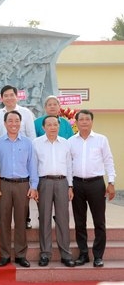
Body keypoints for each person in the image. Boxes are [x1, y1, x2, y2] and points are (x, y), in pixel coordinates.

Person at [69, 109, 116, 268]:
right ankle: (83, 254)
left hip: (96, 184)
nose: (84, 122)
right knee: (79, 221)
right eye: (81, 119)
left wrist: (111, 182)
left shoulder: (101, 140)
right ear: (76, 122)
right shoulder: (71, 141)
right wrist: (69, 185)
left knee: (99, 221)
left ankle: (98, 256)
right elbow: (68, 165)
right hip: (77, 184)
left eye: (87, 119)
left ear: (91, 121)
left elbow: (108, 161)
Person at [0, 110, 38, 268]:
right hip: (4, 184)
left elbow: (32, 165)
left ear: (21, 123)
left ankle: (20, 254)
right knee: (4, 221)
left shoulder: (27, 143)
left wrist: (34, 186)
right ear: (5, 124)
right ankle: (4, 254)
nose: (13, 124)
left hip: (22, 185)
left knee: (21, 221)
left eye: (16, 121)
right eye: (10, 121)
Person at [32, 115, 75, 267]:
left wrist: (70, 186)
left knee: (63, 218)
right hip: (44, 182)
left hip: (62, 182)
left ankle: (66, 254)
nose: (52, 127)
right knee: (44, 218)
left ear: (59, 126)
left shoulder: (65, 143)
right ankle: (45, 253)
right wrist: (34, 186)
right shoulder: (36, 143)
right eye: (49, 124)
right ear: (43, 127)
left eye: (55, 124)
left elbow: (70, 165)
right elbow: (34, 166)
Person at [0, 85, 36, 230]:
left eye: (12, 95)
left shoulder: (26, 113)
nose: (9, 98)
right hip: (4, 152)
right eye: (6, 95)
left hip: (22, 152)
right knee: (4, 197)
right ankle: (2, 220)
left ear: (17, 96)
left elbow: (31, 134)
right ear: (2, 98)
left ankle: (26, 219)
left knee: (23, 192)